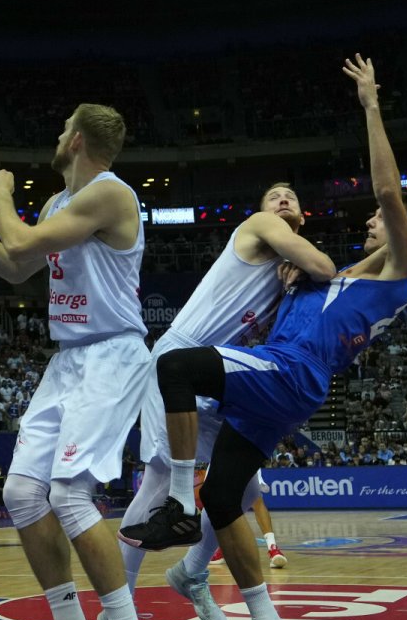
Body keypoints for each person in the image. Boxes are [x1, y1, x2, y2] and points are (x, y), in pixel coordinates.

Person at [131, 55, 407, 620]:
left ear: (405, 230)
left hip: (289, 371)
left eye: (378, 220)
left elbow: (387, 192)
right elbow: (318, 276)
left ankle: (178, 506)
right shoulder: (346, 275)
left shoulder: (403, 269)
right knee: (226, 499)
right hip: (284, 386)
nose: (371, 219)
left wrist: (371, 106)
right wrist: (293, 276)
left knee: (176, 368)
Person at [0, 103, 176, 620]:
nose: (56, 133)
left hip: (112, 355)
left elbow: (20, 239)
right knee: (21, 492)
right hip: (68, 359)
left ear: (75, 141)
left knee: (69, 494)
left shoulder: (111, 195)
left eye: (62, 127)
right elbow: (17, 265)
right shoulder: (55, 204)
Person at [117, 182, 334, 597]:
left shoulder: (285, 274)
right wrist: (305, 267)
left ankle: (192, 572)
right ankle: (117, 606)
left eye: (291, 196)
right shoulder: (262, 224)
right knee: (158, 481)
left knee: (244, 482)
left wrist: (295, 278)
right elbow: (325, 267)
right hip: (179, 358)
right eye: (274, 196)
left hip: (214, 371)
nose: (282, 200)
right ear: (262, 210)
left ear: (304, 217)